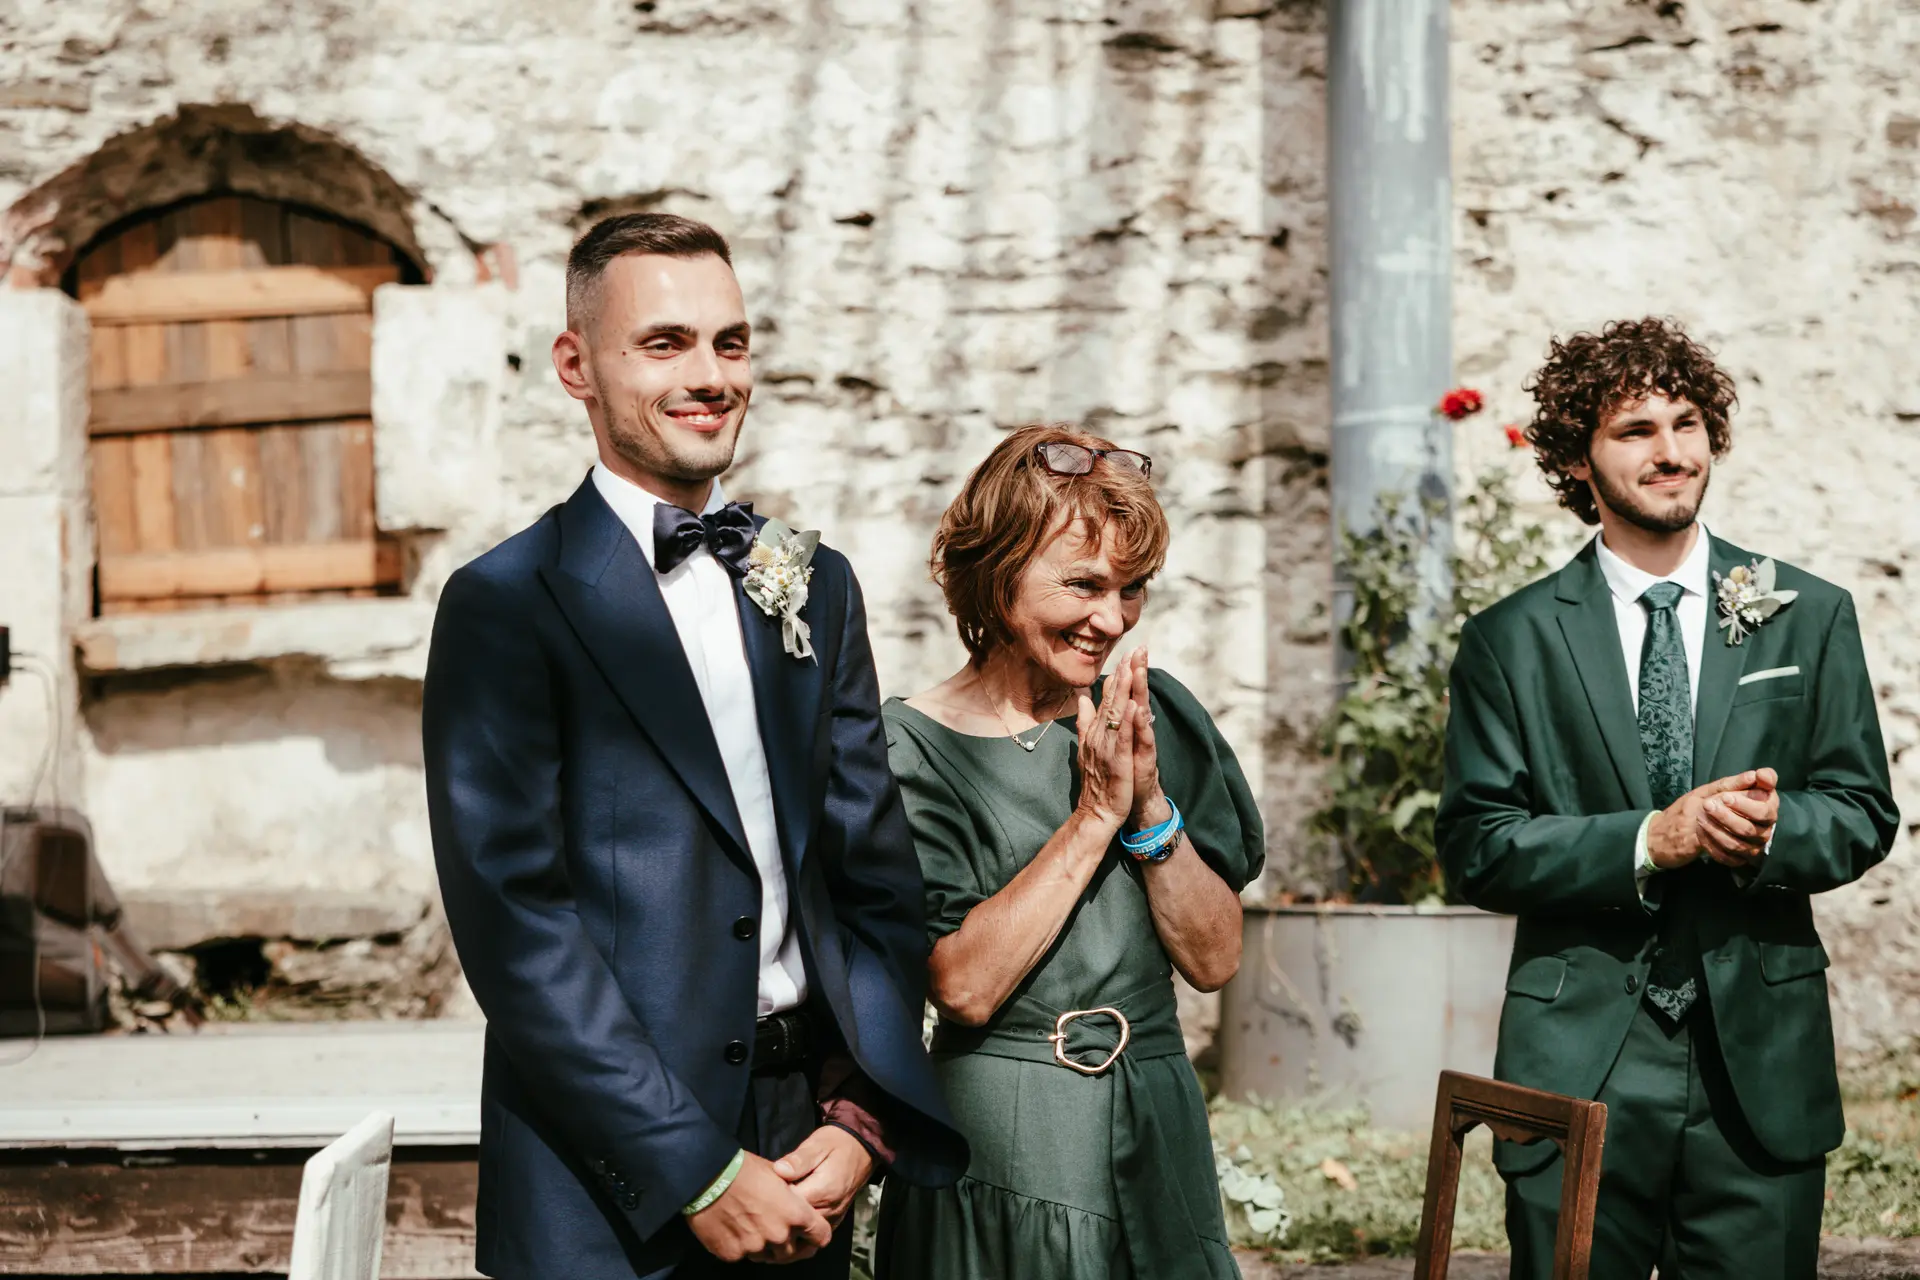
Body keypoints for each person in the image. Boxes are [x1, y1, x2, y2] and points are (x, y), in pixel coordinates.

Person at [422, 212, 966, 1280]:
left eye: (731, 342)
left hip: (805, 1149)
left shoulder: (814, 582)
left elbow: (873, 876)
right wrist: (695, 1169)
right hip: (604, 1178)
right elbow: (517, 927)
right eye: (664, 344)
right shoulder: (505, 603)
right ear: (575, 366)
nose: (710, 376)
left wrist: (860, 1115)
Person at [1436, 317, 1898, 1279]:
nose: (1671, 451)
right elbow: (1478, 846)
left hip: (1759, 1064)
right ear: (1578, 459)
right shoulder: (1509, 640)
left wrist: (1774, 830)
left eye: (1687, 424)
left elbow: (1862, 809)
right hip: (1581, 1057)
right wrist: (1651, 840)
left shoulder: (1808, 613)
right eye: (1635, 430)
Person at [872, 424, 1263, 1278]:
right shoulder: (909, 747)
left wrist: (1150, 807)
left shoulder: (1155, 715)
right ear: (997, 571)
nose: (1110, 619)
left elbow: (1215, 959)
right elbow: (963, 987)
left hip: (1157, 1119)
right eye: (1083, 585)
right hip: (1005, 1140)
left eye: (1132, 588)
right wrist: (1093, 817)